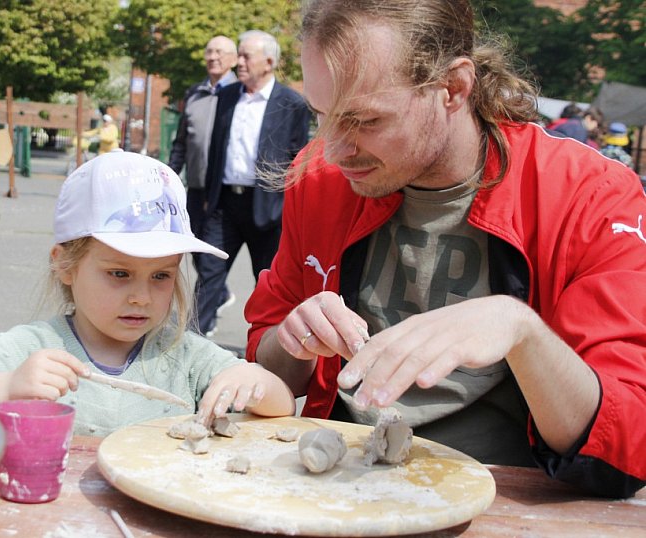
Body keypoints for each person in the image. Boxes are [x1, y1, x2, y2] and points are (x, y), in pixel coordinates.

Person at [245, 0, 645, 498]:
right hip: (337, 483)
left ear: (454, 88)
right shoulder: (321, 177)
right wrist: (292, 338)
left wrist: (522, 332)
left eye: (365, 120)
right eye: (321, 116)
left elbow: (626, 439)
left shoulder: (589, 194)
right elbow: (264, 366)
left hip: (503, 496)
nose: (334, 148)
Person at [0, 151, 295, 437]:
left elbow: (284, 405)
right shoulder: (33, 349)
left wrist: (256, 382)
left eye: (161, 276)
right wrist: (6, 385)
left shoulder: (183, 356)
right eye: (119, 273)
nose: (141, 297)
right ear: (65, 265)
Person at [198, 30, 311, 336]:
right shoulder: (225, 96)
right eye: (240, 55)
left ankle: (267, 350)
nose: (239, 62)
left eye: (247, 56)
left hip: (267, 208)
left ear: (269, 62)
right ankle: (191, 344)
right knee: (208, 273)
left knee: (268, 284)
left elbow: (299, 159)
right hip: (225, 206)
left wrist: (289, 209)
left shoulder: (291, 104)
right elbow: (216, 148)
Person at [168, 35, 239, 335]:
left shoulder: (239, 94)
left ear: (234, 59)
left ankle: (198, 326)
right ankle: (219, 294)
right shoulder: (194, 94)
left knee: (210, 260)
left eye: (220, 52)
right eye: (209, 51)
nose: (213, 57)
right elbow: (182, 142)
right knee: (193, 249)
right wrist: (170, 177)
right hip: (195, 189)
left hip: (223, 193)